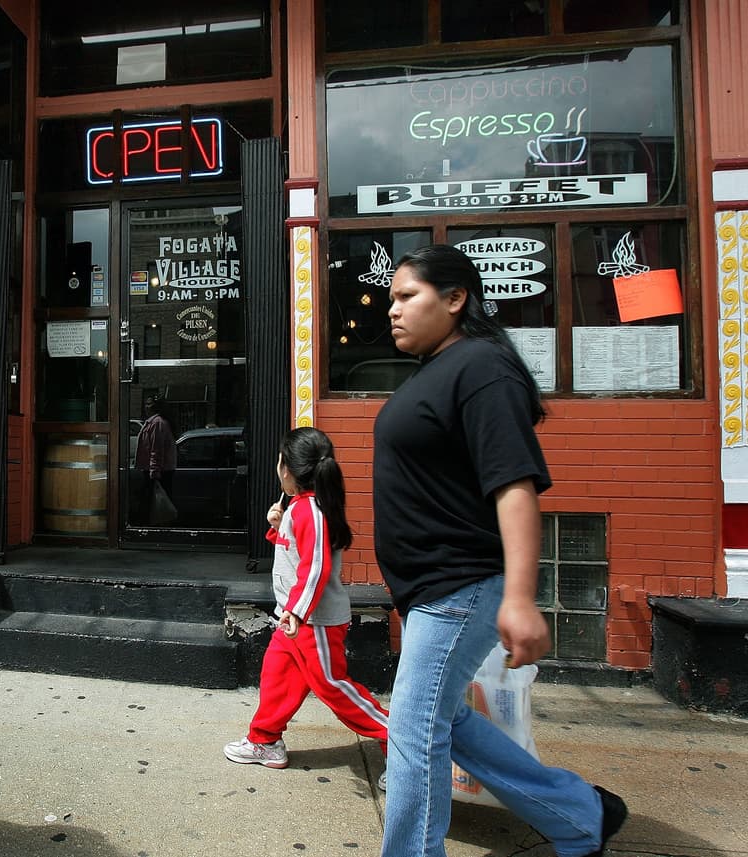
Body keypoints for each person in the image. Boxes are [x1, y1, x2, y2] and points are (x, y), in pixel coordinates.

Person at [373, 245, 627, 857]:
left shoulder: (482, 366)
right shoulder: (441, 367)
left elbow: (513, 485)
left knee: (413, 730)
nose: (393, 310)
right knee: (441, 719)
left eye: (408, 296)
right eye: (390, 300)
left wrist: (519, 595)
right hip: (433, 589)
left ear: (456, 299)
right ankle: (578, 813)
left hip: (461, 586)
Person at [224, 427, 389, 788]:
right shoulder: (302, 509)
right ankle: (264, 740)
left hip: (313, 622)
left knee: (334, 688)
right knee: (276, 678)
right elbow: (298, 552)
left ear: (288, 470)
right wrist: (277, 527)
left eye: (280, 462)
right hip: (296, 620)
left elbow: (316, 567)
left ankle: (402, 744)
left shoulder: (310, 510)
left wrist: (296, 611)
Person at [133, 394, 177, 523]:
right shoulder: (155, 422)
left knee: (155, 500)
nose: (146, 407)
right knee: (154, 500)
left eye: (148, 404)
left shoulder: (157, 423)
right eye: (145, 404)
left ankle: (158, 525)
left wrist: (154, 472)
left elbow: (156, 450)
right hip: (158, 469)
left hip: (159, 471)